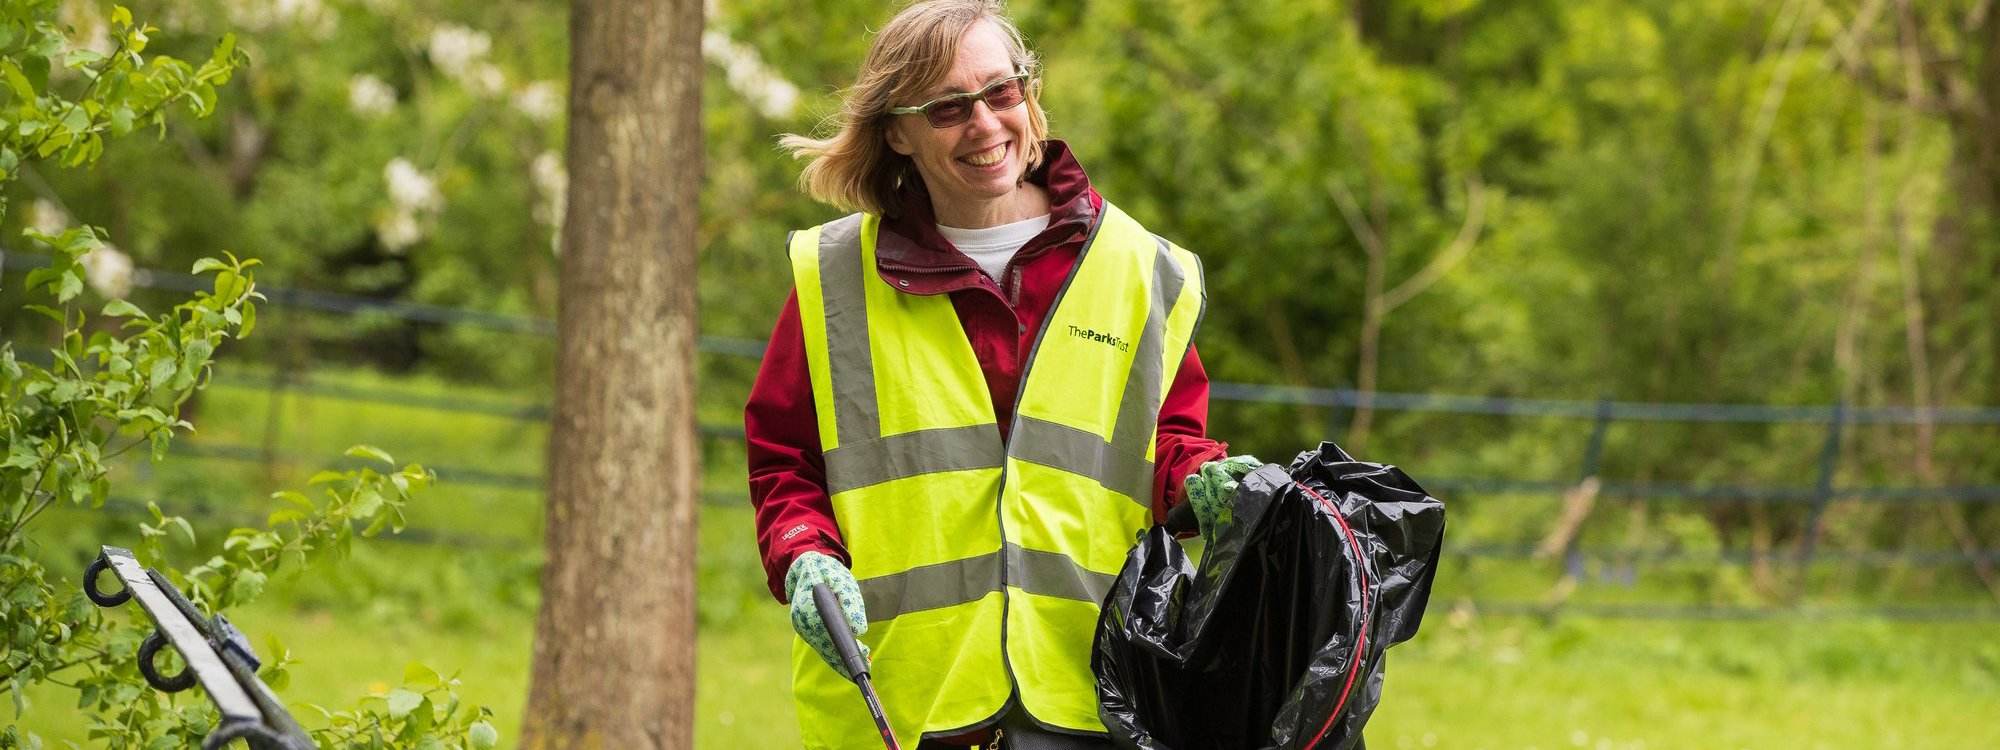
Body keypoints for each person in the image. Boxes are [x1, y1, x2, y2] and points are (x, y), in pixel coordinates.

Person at [746, 2, 1258, 747]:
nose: (984, 125)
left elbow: (1168, 441)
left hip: (1094, 685)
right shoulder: (832, 278)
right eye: (948, 108)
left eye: (1001, 92)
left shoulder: (1142, 268)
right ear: (897, 130)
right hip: (901, 695)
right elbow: (784, 461)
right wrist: (805, 556)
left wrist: (1209, 486)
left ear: (1029, 93)